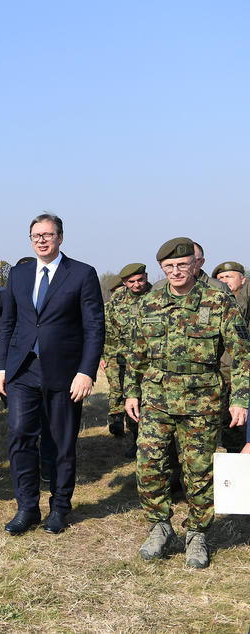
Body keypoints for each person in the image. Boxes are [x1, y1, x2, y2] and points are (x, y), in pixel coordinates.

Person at [124, 237, 249, 568]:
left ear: (195, 265)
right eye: (169, 267)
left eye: (182, 265)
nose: (176, 271)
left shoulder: (218, 301)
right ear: (162, 269)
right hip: (156, 400)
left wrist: (240, 398)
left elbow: (241, 354)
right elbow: (136, 353)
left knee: (199, 472)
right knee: (149, 466)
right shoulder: (149, 303)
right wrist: (131, 391)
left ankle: (197, 533)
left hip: (201, 402)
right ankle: (160, 526)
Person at [0, 213, 105, 535]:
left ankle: (59, 508)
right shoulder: (19, 273)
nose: (41, 240)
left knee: (60, 442)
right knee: (19, 436)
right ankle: (27, 508)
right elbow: (8, 324)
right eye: (35, 235)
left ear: (60, 237)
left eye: (47, 234)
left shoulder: (82, 274)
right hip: (22, 370)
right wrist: (1, 366)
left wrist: (86, 371)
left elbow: (94, 327)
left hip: (64, 373)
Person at [101, 262, 151, 455]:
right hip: (126, 363)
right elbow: (109, 333)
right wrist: (107, 357)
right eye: (132, 282)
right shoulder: (117, 301)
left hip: (152, 362)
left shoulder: (157, 296)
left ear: (146, 277)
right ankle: (136, 440)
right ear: (124, 282)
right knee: (131, 401)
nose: (137, 285)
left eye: (140, 280)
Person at [211, 261, 249, 453]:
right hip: (221, 373)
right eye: (220, 278)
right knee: (226, 423)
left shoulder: (243, 301)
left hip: (241, 373)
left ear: (242, 279)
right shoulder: (213, 304)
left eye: (229, 276)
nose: (224, 281)